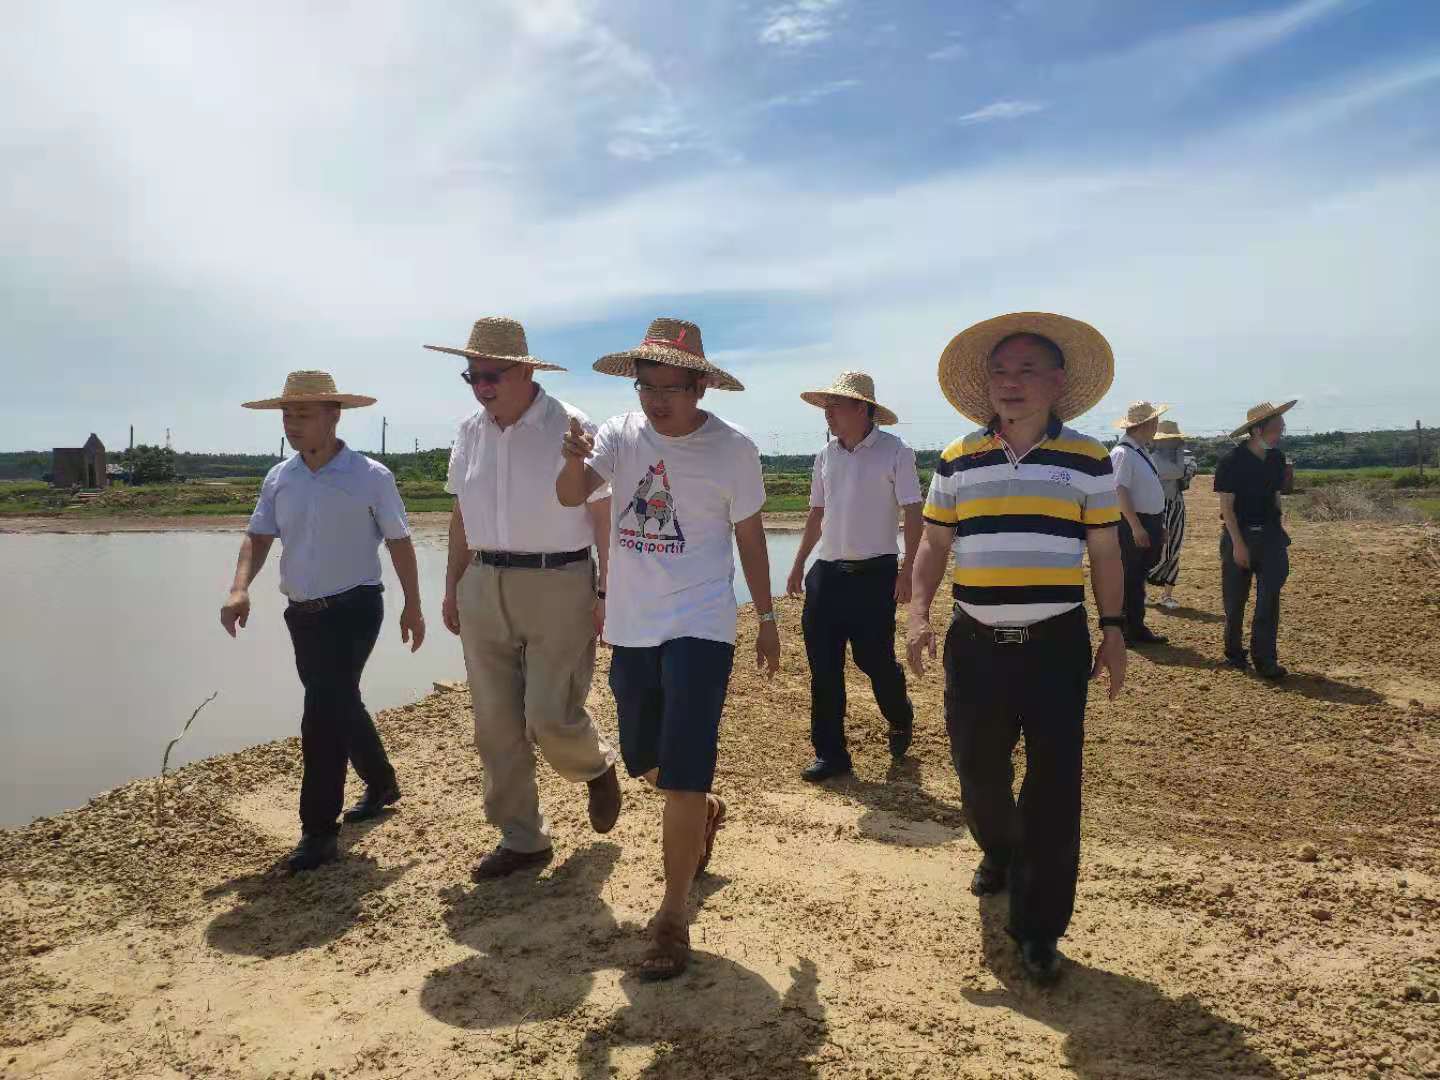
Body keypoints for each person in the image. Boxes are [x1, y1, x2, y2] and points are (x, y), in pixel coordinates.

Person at [556, 316, 780, 982]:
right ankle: (703, 811)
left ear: (700, 388)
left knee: (683, 772)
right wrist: (573, 459)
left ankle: (672, 916)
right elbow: (571, 495)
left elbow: (751, 539)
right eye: (647, 386)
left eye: (671, 388)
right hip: (632, 625)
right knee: (643, 761)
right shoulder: (619, 435)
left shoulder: (733, 449)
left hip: (701, 624)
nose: (657, 400)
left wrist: (767, 616)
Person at [906, 312, 1127, 985]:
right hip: (975, 644)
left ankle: (1038, 928)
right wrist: (917, 613)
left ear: (1057, 382)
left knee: (1055, 787)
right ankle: (999, 849)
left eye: (1027, 369)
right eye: (1000, 370)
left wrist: (1114, 629)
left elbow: (1105, 551)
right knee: (978, 774)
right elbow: (933, 543)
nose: (1011, 382)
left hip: (1056, 643)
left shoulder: (1088, 459)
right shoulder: (957, 457)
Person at [425, 316, 622, 880]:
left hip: (558, 581)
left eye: (493, 375)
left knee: (549, 716)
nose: (482, 387)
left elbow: (602, 514)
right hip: (483, 582)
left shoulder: (571, 425)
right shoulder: (469, 432)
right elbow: (461, 515)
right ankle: (523, 838)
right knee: (494, 723)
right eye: (473, 376)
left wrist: (607, 590)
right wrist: (453, 587)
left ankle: (595, 767)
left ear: (526, 372)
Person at [221, 371, 425, 873]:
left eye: (303, 414)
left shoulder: (370, 476)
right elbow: (258, 536)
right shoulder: (280, 477)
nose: (292, 424)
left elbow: (399, 540)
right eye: (287, 415)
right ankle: (381, 782)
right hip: (303, 616)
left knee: (320, 715)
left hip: (355, 608)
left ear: (334, 416)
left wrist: (413, 606)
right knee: (338, 701)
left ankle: (318, 831)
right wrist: (239, 587)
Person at [786, 371, 922, 781]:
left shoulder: (896, 451)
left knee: (872, 659)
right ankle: (831, 754)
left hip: (875, 574)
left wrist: (908, 570)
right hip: (827, 574)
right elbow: (817, 513)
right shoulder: (826, 455)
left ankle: (899, 714)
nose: (827, 414)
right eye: (825, 407)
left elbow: (913, 512)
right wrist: (799, 563)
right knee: (824, 668)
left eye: (835, 406)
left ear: (862, 408)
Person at [1214, 400, 1298, 680]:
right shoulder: (1231, 462)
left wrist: (1279, 529)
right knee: (1235, 600)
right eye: (1277, 429)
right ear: (1257, 430)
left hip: (1271, 536)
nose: (1280, 434)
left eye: (1282, 429)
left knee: (1269, 599)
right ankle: (1234, 651)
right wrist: (1238, 544)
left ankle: (1265, 659)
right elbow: (1227, 508)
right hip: (1239, 535)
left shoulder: (1277, 459)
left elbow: (1276, 496)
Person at [1109, 402, 1170, 645]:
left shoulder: (1139, 451)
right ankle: (1125, 629)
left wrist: (1158, 524)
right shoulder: (1123, 453)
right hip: (1132, 522)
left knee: (1137, 577)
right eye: (1154, 422)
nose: (1156, 426)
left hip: (1147, 521)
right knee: (1129, 576)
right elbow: (1119, 490)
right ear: (1144, 424)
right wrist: (1136, 526)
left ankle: (1136, 626)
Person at [1146, 419, 1191, 609]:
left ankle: (1167, 595)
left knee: (1175, 549)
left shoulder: (1176, 458)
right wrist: (1182, 456)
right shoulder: (1154, 459)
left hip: (1177, 505)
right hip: (1159, 506)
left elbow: (1186, 475)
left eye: (1175, 439)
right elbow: (1179, 472)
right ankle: (1142, 589)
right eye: (1170, 439)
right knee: (1158, 549)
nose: (1174, 443)